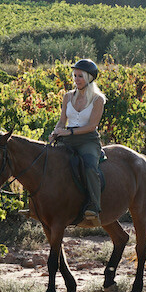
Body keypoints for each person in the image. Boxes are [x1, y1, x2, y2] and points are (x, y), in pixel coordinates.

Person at [49, 58, 106, 226]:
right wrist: (55, 133)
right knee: (47, 162)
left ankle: (94, 207)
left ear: (89, 78)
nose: (76, 79)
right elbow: (61, 121)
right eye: (74, 76)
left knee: (89, 166)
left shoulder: (98, 100)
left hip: (87, 140)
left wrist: (69, 131)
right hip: (67, 139)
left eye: (80, 76)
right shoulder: (67, 97)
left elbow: (91, 126)